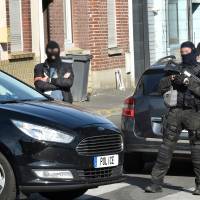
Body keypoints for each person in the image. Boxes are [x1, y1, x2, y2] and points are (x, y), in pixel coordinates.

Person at [145, 41, 200, 195]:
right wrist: (170, 79)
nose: (184, 55)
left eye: (187, 52)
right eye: (182, 52)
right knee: (165, 149)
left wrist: (189, 82)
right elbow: (160, 87)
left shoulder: (199, 70)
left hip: (194, 113)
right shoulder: (176, 68)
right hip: (175, 112)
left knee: (197, 150)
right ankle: (155, 183)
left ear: (194, 53)